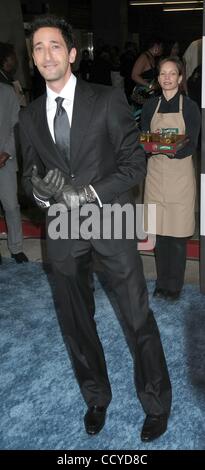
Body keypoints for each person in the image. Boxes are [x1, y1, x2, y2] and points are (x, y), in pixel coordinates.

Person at [19, 15, 171, 441]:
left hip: (109, 215)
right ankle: (96, 397)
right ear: (33, 60)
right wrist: (43, 193)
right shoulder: (28, 118)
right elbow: (31, 180)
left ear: (71, 54)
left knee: (136, 316)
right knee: (75, 321)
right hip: (62, 228)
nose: (46, 54)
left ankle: (156, 402)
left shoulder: (106, 99)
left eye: (54, 46)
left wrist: (85, 194)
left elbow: (134, 164)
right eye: (37, 48)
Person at [141, 57, 201, 301]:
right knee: (159, 234)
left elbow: (190, 146)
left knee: (176, 237)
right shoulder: (149, 106)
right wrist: (169, 144)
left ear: (179, 78)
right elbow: (144, 142)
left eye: (172, 73)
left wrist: (158, 144)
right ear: (158, 79)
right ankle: (161, 282)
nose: (167, 77)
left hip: (180, 179)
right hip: (155, 177)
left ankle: (173, 287)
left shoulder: (189, 107)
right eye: (162, 73)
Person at [0, 82, 28, 264]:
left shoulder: (7, 92)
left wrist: (7, 152)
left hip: (5, 160)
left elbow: (16, 124)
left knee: (11, 206)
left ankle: (16, 248)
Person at [0, 42, 27, 107]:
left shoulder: (8, 77)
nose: (16, 60)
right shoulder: (3, 82)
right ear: (7, 59)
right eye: (13, 56)